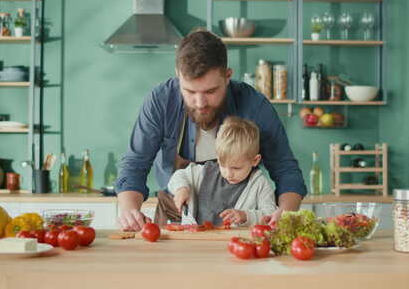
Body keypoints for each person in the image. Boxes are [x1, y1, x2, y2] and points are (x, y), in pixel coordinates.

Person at [116, 29, 306, 231]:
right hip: (177, 215)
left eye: (210, 91)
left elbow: (285, 170)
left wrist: (285, 212)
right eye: (189, 91)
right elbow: (135, 164)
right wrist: (129, 210)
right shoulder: (160, 101)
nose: (199, 103)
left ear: (227, 76)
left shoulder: (254, 105)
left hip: (236, 222)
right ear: (178, 75)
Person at [167, 116, 276, 227]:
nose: (228, 174)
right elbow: (179, 175)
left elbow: (271, 215)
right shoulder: (205, 171)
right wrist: (181, 188)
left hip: (233, 242)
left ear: (255, 160)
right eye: (222, 165)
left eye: (236, 168)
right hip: (195, 239)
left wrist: (245, 216)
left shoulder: (260, 184)